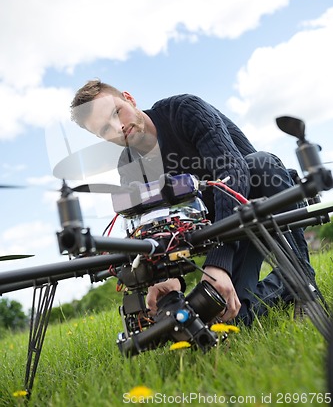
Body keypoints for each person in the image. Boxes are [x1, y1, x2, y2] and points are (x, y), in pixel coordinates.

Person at [70, 79, 316, 325]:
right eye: (104, 129)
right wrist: (165, 276)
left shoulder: (185, 110)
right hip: (225, 230)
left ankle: (306, 290)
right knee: (229, 316)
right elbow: (152, 227)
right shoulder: (128, 167)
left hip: (261, 201)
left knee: (260, 163)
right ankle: (286, 287)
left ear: (129, 99)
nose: (117, 127)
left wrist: (218, 262)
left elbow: (233, 170)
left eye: (116, 112)